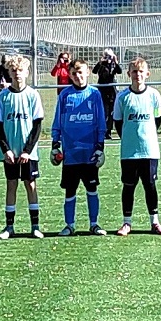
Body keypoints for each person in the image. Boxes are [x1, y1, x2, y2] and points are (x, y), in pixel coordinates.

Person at [51, 59, 108, 236]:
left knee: (92, 189)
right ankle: (69, 225)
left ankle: (94, 224)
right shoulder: (65, 95)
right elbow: (58, 121)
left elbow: (101, 122)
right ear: (69, 75)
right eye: (74, 73)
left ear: (88, 72)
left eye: (81, 72)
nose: (78, 76)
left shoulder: (94, 94)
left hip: (89, 153)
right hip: (70, 154)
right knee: (70, 190)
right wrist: (55, 144)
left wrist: (100, 146)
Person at [0, 55, 46, 239]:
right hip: (10, 152)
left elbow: (37, 125)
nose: (17, 74)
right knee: (11, 185)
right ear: (9, 72)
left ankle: (35, 226)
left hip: (27, 153)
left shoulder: (32, 95)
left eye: (20, 70)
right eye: (13, 70)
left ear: (27, 72)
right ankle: (9, 227)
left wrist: (27, 151)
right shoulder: (3, 96)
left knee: (30, 185)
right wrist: (6, 149)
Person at [113, 58, 161, 236]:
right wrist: (129, 138)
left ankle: (155, 222)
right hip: (129, 152)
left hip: (149, 150)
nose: (138, 75)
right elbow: (118, 122)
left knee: (150, 185)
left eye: (141, 71)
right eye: (134, 71)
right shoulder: (122, 97)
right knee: (128, 186)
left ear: (147, 74)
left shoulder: (154, 95)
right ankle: (126, 223)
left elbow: (157, 120)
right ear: (129, 74)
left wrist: (146, 136)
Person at [93, 49, 123, 140]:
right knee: (104, 111)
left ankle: (108, 131)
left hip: (112, 91)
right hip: (103, 90)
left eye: (109, 56)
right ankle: (102, 130)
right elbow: (94, 71)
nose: (108, 58)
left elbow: (119, 71)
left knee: (111, 112)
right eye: (106, 56)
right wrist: (100, 62)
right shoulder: (101, 64)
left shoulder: (113, 65)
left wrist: (115, 62)